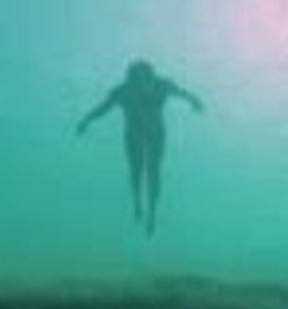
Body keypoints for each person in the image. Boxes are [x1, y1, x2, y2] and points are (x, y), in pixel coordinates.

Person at [77, 59, 204, 236]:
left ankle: (151, 213)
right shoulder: (122, 92)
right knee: (136, 170)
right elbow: (102, 109)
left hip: (155, 133)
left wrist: (195, 101)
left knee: (153, 171)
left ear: (152, 78)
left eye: (146, 82)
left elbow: (182, 93)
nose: (143, 88)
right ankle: (137, 203)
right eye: (137, 84)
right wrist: (87, 120)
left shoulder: (162, 85)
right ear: (131, 81)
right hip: (134, 134)